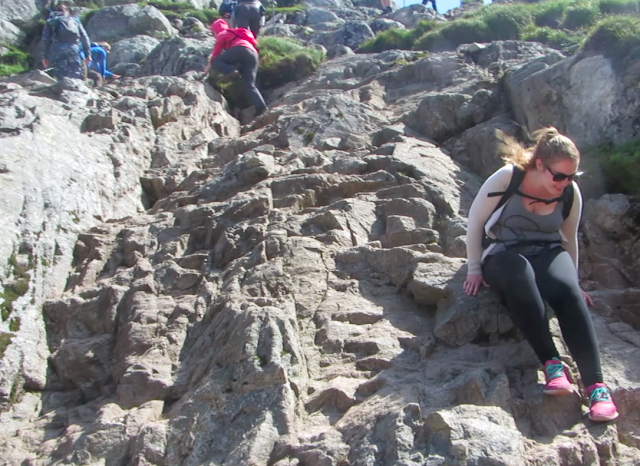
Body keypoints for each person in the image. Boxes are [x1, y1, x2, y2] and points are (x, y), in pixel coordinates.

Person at [463, 127, 619, 423]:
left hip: (547, 251)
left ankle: (597, 388)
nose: (565, 183)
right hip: (502, 253)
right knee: (521, 278)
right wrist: (473, 268)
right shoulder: (508, 178)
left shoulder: (569, 193)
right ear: (539, 165)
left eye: (572, 176)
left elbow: (569, 238)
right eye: (558, 176)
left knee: (568, 292)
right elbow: (475, 222)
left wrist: (575, 280)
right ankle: (552, 364)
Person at [203, 19, 267, 117]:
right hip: (253, 54)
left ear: (216, 30)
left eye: (213, 33)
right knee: (249, 84)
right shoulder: (238, 33)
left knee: (216, 61)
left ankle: (231, 71)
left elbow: (215, 56)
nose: (214, 35)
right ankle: (261, 107)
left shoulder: (222, 34)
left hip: (238, 49)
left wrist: (205, 72)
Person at [41, 0, 92, 80]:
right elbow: (84, 37)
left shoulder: (51, 21)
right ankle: (76, 88)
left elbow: (45, 40)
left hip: (58, 48)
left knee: (60, 72)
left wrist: (45, 56)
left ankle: (62, 88)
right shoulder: (75, 21)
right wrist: (88, 54)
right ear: (68, 12)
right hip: (74, 47)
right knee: (76, 71)